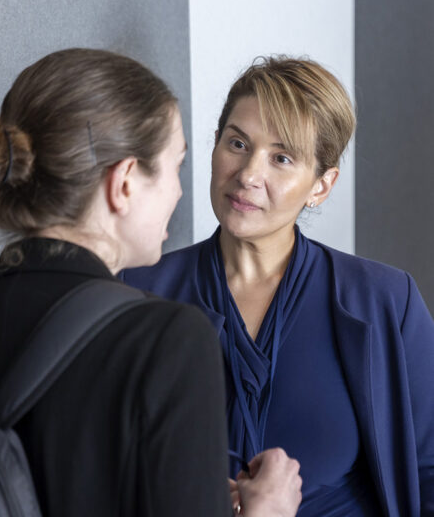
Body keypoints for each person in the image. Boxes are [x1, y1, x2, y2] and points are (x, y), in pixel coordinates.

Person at [0, 49, 302, 517]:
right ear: (125, 182)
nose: (178, 191)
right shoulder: (170, 339)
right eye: (175, 167)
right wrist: (268, 510)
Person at [121, 55, 434, 516]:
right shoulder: (134, 293)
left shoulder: (387, 301)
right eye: (237, 143)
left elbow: (429, 473)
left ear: (321, 186)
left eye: (281, 158)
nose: (248, 175)